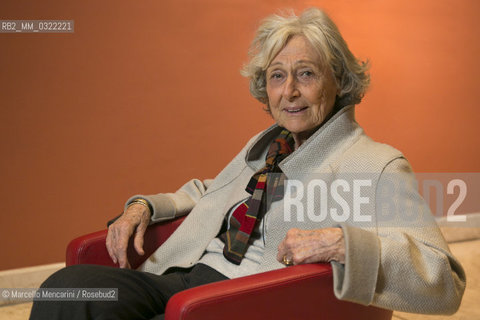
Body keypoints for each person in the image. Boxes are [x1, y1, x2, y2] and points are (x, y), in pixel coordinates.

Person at [30, 7, 466, 320]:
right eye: (278, 75)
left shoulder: (377, 164)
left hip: (248, 300)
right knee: (65, 292)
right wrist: (143, 206)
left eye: (307, 74)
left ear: (340, 81)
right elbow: (212, 192)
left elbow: (444, 282)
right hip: (187, 276)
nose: (289, 90)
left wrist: (342, 244)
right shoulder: (267, 145)